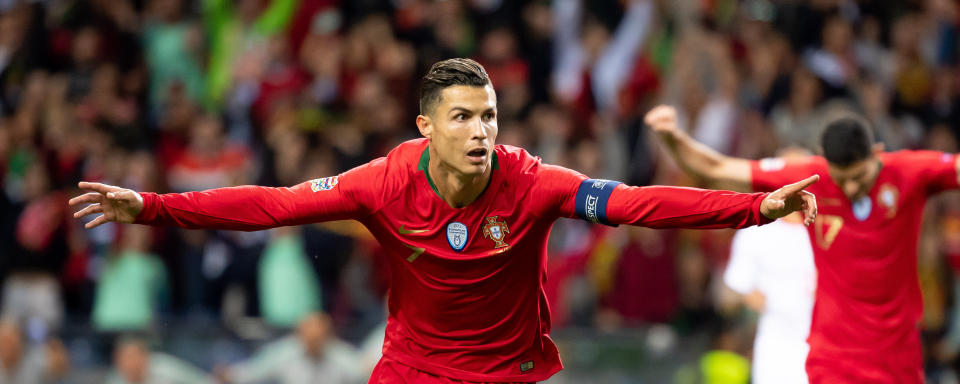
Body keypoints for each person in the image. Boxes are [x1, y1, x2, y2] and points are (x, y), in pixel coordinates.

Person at [71, 58, 818, 383]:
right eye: (462, 116)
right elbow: (272, 204)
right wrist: (155, 207)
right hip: (413, 371)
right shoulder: (382, 182)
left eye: (489, 115)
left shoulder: (534, 183)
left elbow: (639, 203)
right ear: (426, 125)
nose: (481, 129)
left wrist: (758, 207)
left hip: (502, 373)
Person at [645, 104, 960, 383]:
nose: (850, 187)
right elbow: (715, 169)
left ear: (876, 153)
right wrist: (674, 137)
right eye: (842, 178)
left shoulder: (909, 171)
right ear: (826, 163)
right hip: (833, 361)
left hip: (897, 360)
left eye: (860, 177)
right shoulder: (813, 178)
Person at [724, 211, 816, 384]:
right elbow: (733, 289)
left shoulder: (827, 230)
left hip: (822, 344)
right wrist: (756, 299)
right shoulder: (756, 232)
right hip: (774, 346)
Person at [216, 312, 363, 384]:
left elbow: (363, 374)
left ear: (328, 336)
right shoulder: (285, 352)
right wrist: (231, 375)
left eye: (318, 338)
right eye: (309, 337)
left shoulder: (341, 355)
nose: (313, 343)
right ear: (299, 335)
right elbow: (255, 370)